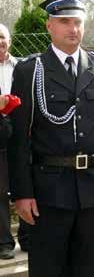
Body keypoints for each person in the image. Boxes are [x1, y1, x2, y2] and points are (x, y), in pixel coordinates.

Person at [7, 0, 94, 277]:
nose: (72, 28)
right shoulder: (29, 71)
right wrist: (22, 193)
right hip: (49, 190)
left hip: (93, 186)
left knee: (87, 267)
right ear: (49, 25)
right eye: (64, 22)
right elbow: (19, 139)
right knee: (48, 267)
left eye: (78, 22)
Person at [0, 24, 18, 259]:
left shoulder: (22, 66)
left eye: (2, 37)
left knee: (27, 185)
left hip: (24, 132)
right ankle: (4, 242)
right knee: (0, 190)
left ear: (10, 40)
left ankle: (28, 238)